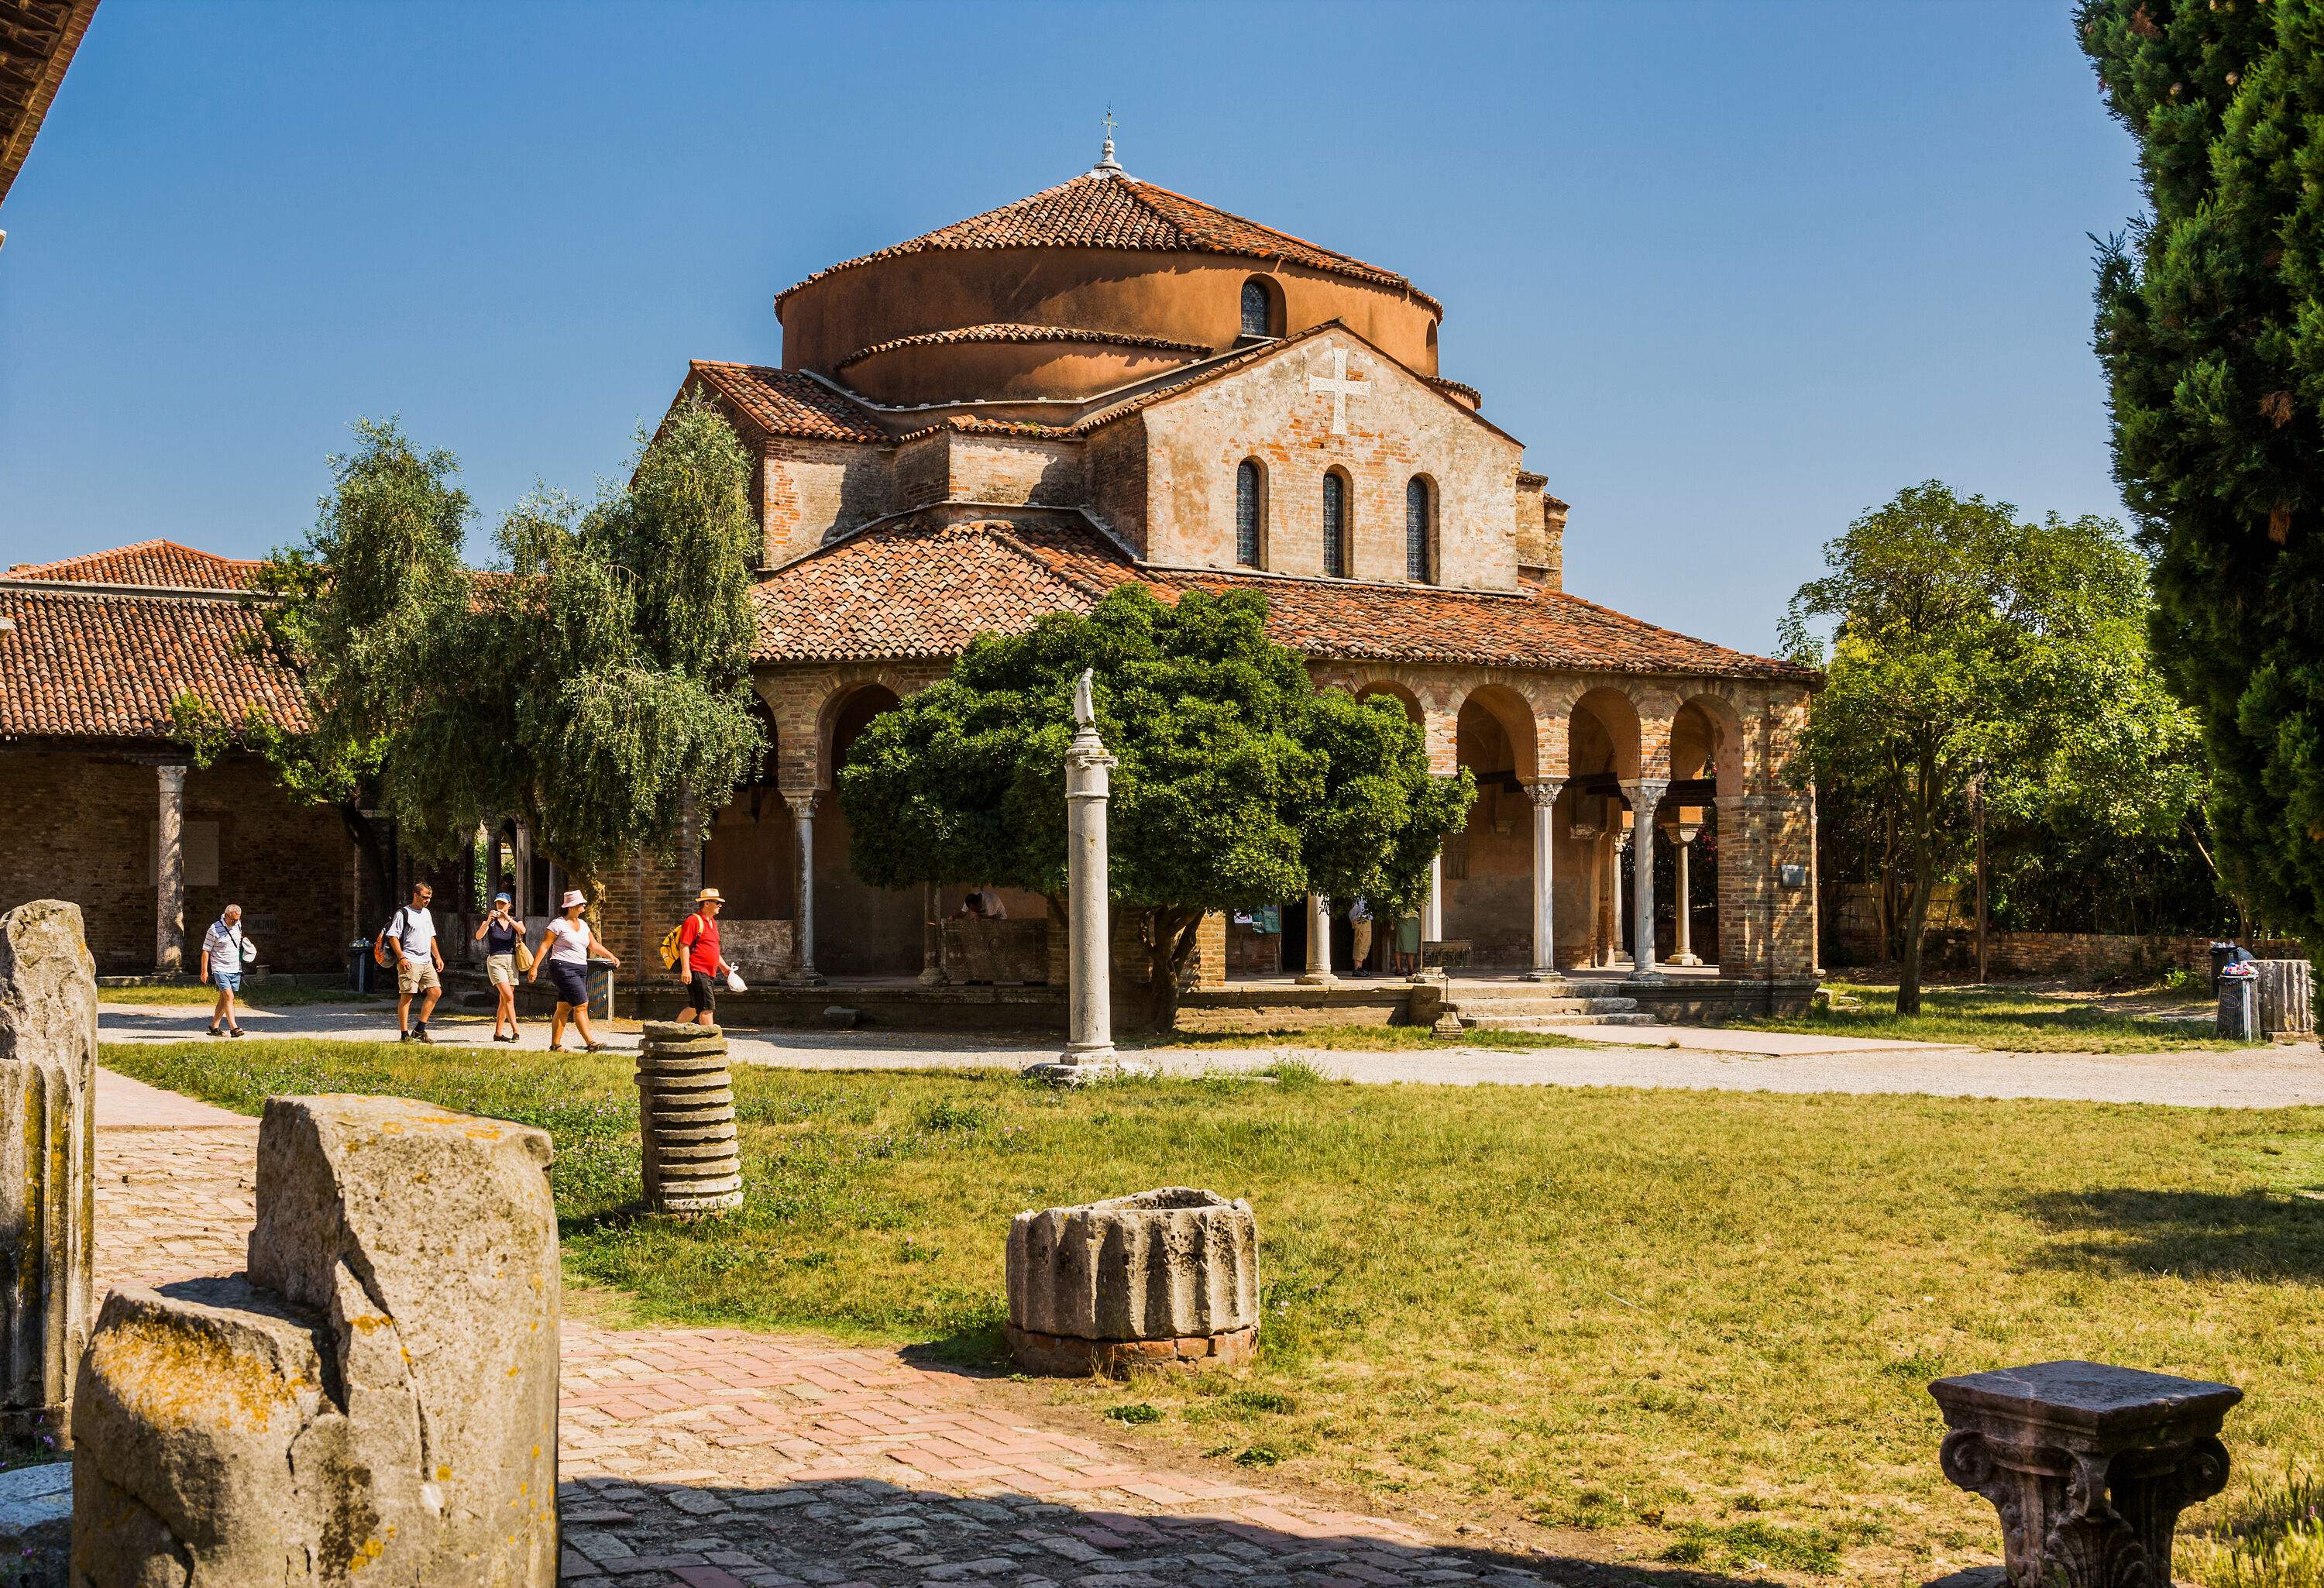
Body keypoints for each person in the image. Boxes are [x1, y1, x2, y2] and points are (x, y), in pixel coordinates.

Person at [529, 889, 618, 1053]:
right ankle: (591, 1042)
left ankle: (555, 1046)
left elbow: (593, 945)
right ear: (571, 907)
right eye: (580, 903)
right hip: (562, 967)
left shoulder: (583, 925)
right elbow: (545, 946)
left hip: (580, 968)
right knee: (582, 1005)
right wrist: (534, 967)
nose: (584, 905)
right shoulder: (558, 924)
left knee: (564, 1007)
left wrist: (610, 955)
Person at [380, 882, 445, 1044]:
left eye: (429, 898)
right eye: (424, 897)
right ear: (415, 895)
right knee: (407, 996)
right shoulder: (403, 913)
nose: (427, 900)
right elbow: (393, 936)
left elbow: (431, 937)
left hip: (426, 960)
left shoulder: (427, 913)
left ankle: (419, 1030)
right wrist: (402, 957)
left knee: (435, 992)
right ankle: (404, 1035)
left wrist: (437, 957)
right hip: (410, 960)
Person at [672, 888, 736, 1026]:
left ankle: (673, 1031)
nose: (720, 905)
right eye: (717, 902)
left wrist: (723, 966)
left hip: (708, 972)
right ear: (706, 903)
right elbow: (684, 946)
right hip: (697, 970)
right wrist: (686, 969)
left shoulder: (713, 923)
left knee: (695, 1007)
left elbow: (712, 949)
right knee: (707, 1007)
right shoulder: (694, 920)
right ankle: (711, 1043)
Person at [473, 892, 529, 1043]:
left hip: (511, 961)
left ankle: (498, 1033)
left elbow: (522, 931)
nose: (500, 906)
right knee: (508, 996)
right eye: (498, 903)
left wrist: (508, 918)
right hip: (496, 960)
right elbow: (478, 936)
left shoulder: (515, 920)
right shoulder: (491, 922)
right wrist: (488, 920)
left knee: (504, 998)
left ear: (510, 905)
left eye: (503, 904)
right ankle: (516, 1031)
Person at [199, 902, 249, 1038]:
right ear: (226, 915)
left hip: (235, 967)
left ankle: (214, 1026)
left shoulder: (238, 925)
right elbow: (206, 950)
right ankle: (234, 1028)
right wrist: (204, 971)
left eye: (237, 919)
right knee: (229, 996)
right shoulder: (214, 929)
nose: (235, 922)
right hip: (220, 967)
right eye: (233, 919)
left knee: (224, 998)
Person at [1348, 897, 1373, 977]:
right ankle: (1357, 968)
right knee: (1361, 942)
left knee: (1365, 942)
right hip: (1362, 918)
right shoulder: (1360, 896)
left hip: (1365, 918)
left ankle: (1360, 967)